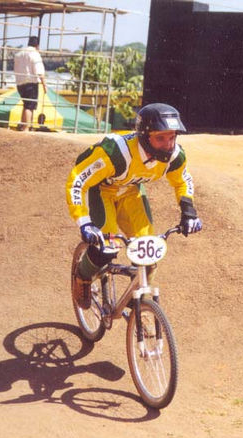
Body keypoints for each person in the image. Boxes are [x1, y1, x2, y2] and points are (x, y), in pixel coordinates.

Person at [66, 103, 203, 308]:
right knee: (107, 248)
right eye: (160, 138)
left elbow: (182, 182)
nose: (168, 144)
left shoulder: (175, 157)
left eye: (172, 137)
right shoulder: (116, 153)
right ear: (144, 136)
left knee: (148, 251)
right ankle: (83, 277)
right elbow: (78, 181)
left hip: (131, 191)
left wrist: (189, 213)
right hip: (101, 190)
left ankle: (139, 307)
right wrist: (84, 222)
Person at [14, 36, 47, 131]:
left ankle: (23, 125)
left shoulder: (19, 54)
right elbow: (39, 70)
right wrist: (44, 84)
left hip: (20, 83)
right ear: (37, 45)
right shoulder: (34, 54)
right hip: (31, 83)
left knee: (26, 104)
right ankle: (26, 127)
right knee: (30, 106)